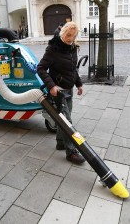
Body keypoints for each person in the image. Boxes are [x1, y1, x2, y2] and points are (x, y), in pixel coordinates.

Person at [37, 22, 85, 164]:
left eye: (73, 35)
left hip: (68, 89)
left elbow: (73, 69)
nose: (70, 38)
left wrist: (79, 83)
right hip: (58, 91)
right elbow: (40, 68)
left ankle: (60, 142)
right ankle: (71, 151)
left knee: (62, 119)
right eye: (68, 35)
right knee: (67, 122)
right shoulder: (53, 48)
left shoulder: (72, 48)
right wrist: (51, 86)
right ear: (62, 32)